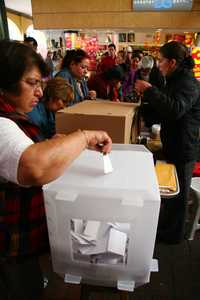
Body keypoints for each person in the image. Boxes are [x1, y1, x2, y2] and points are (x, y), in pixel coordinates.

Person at [0, 40, 112, 300]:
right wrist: (83, 137)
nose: (40, 93)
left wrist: (57, 145)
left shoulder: (16, 118)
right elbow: (34, 167)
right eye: (32, 83)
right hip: (9, 248)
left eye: (41, 84)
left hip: (20, 244)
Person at [135, 41, 200, 244]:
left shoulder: (188, 83)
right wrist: (141, 110)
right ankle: (166, 227)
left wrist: (150, 91)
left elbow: (174, 109)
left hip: (184, 145)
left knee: (179, 195)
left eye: (161, 60)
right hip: (174, 141)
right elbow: (165, 110)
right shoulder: (173, 80)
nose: (158, 65)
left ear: (172, 62)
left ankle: (173, 236)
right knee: (171, 190)